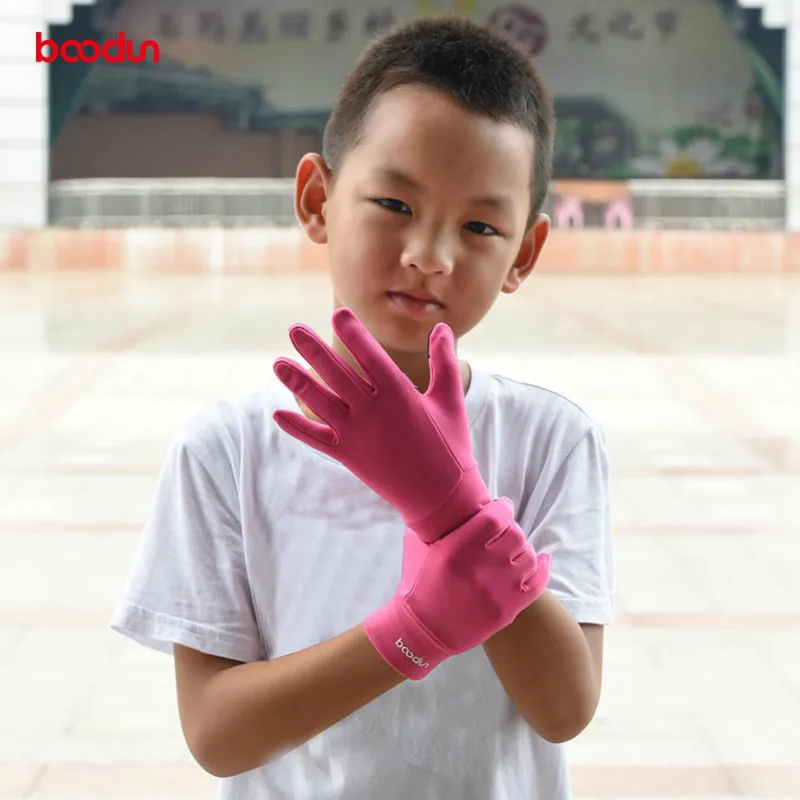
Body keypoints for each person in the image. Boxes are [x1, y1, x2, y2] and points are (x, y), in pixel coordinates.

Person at [111, 15, 614, 800]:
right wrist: (412, 633)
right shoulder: (229, 448)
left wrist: (455, 513)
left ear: (523, 253)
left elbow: (564, 707)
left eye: (480, 226)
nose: (430, 255)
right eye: (394, 203)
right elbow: (216, 734)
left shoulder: (551, 438)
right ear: (317, 199)